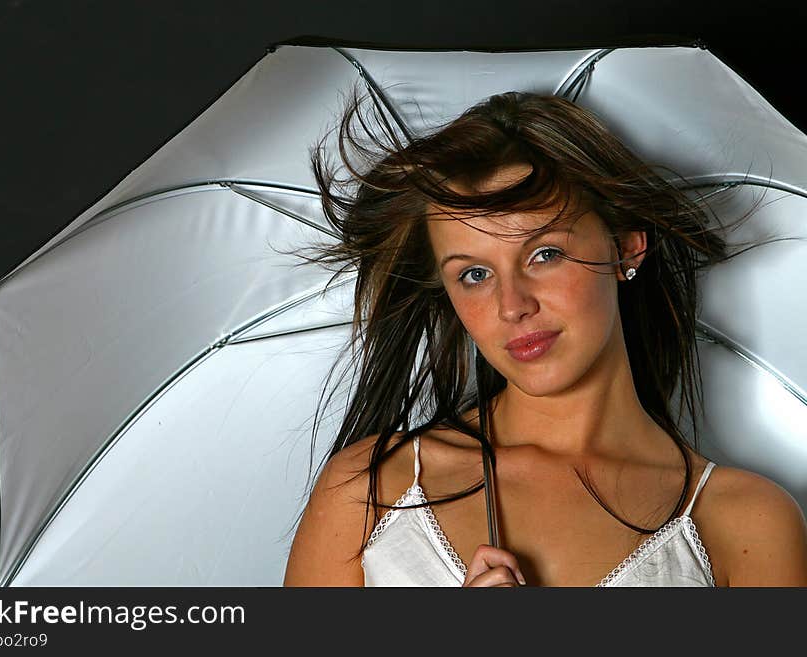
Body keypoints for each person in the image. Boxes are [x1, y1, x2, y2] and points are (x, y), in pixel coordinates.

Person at [282, 89, 807, 587]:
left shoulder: (747, 524)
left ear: (626, 249)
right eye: (474, 274)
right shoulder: (370, 488)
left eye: (545, 254)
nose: (513, 306)